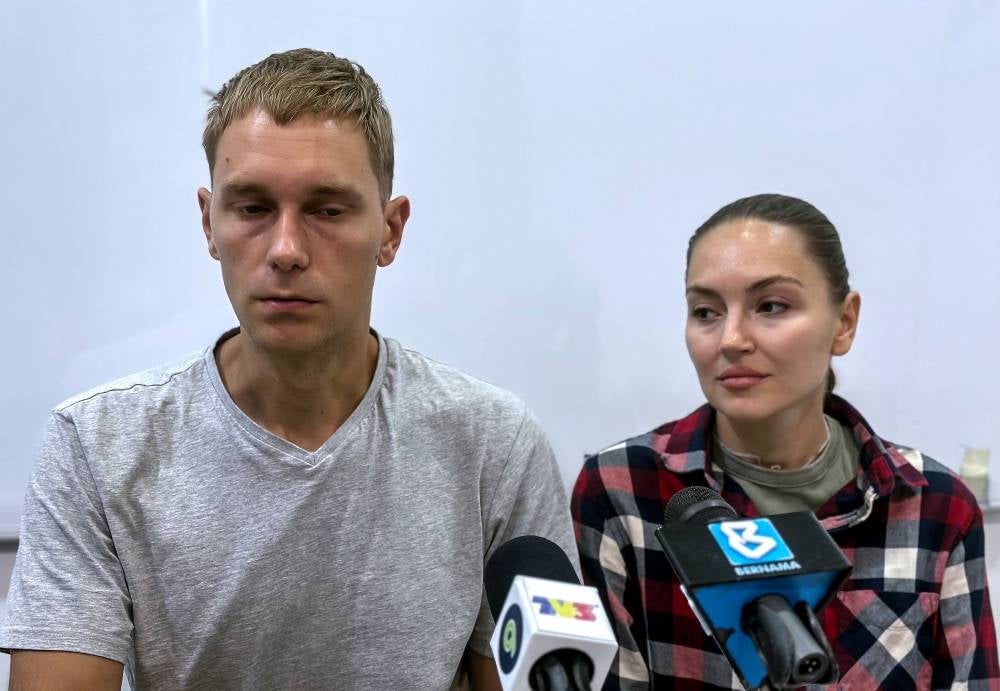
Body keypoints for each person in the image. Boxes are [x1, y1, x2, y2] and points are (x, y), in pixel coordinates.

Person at [0, 48, 575, 690]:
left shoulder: (493, 444)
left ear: (390, 230)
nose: (286, 250)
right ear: (209, 223)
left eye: (327, 210)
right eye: (251, 208)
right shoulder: (96, 446)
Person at [572, 193, 999, 690]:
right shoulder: (622, 488)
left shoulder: (933, 504)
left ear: (844, 322)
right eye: (706, 311)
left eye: (771, 306)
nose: (731, 339)